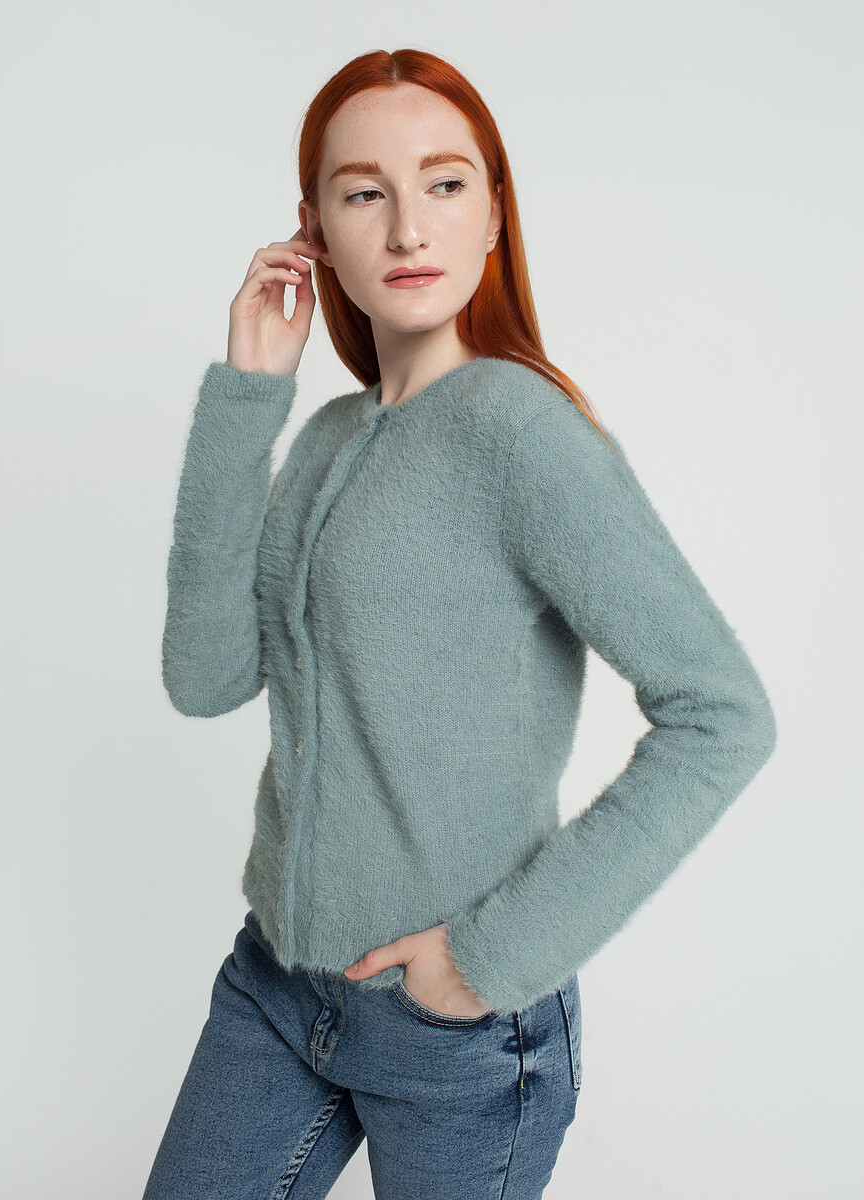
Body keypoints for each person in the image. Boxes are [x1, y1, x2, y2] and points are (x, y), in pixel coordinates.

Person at [143, 47, 777, 1200]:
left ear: (493, 214)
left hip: (456, 1032)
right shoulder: (328, 437)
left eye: (443, 183)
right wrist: (248, 398)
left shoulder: (519, 435)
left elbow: (723, 715)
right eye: (363, 193)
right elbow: (205, 677)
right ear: (315, 229)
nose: (405, 229)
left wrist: (489, 960)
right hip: (278, 984)